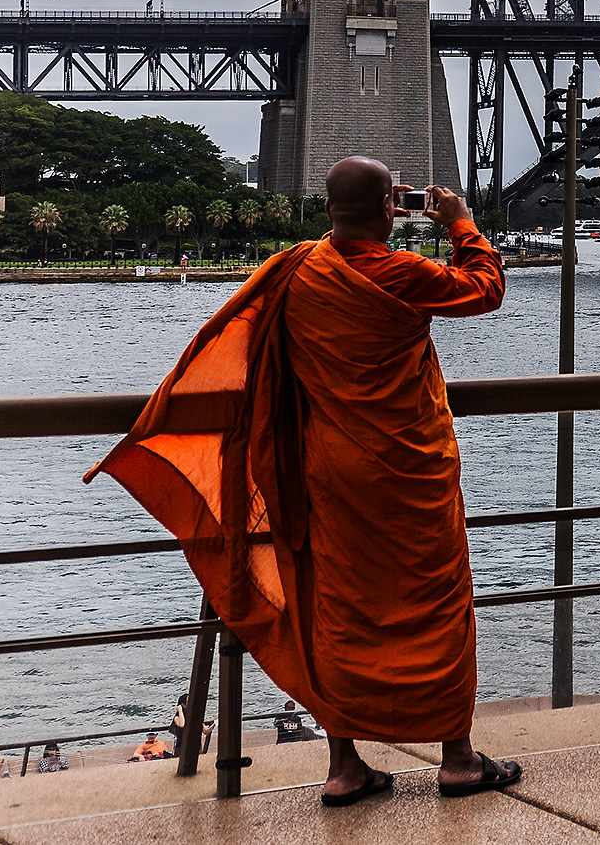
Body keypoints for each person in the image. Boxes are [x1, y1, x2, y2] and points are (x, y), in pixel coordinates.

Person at [90, 160, 514, 808]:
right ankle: (457, 758)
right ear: (388, 205)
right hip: (409, 466)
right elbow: (484, 288)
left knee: (333, 605)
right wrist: (459, 221)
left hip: (327, 467)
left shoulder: (297, 270)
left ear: (326, 207)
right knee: (436, 601)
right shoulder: (400, 272)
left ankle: (345, 766)